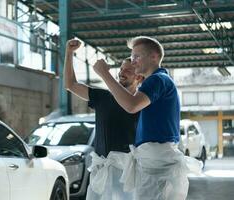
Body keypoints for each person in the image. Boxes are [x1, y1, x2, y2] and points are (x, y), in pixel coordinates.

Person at [92, 36, 202, 200]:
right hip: (155, 161)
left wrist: (104, 74)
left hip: (157, 162)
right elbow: (130, 102)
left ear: (154, 56)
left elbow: (131, 105)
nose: (133, 61)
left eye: (137, 56)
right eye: (132, 56)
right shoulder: (157, 81)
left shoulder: (157, 79)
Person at [64, 39, 144, 200]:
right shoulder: (103, 97)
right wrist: (69, 53)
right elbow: (70, 84)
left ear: (139, 78)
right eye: (121, 68)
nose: (122, 72)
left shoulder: (140, 102)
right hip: (101, 169)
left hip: (126, 171)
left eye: (128, 70)